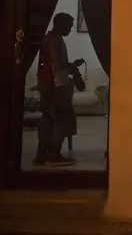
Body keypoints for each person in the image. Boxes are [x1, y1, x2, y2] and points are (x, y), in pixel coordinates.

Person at [33, 12, 85, 166]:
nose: (70, 30)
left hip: (46, 84)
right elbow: (59, 66)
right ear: (59, 25)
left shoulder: (48, 38)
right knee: (63, 120)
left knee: (48, 119)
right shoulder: (55, 41)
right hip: (57, 86)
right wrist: (74, 68)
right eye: (68, 27)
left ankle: (41, 154)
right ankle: (55, 153)